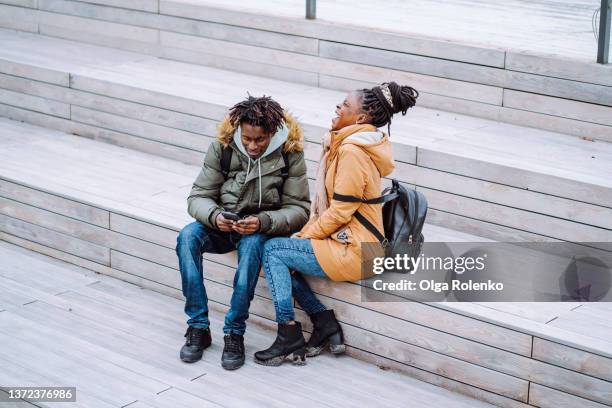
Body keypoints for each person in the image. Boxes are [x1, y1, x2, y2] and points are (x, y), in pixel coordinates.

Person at [254, 82, 419, 366]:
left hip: (356, 250)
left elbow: (341, 211)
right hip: (350, 241)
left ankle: (289, 334)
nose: (337, 107)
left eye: (344, 104)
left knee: (273, 251)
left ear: (360, 119)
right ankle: (323, 322)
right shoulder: (351, 144)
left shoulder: (352, 152)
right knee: (280, 251)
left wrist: (304, 235)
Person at [176, 95, 310, 370]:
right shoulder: (222, 147)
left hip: (259, 228)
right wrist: (215, 216)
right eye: (247, 138)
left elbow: (298, 209)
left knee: (251, 251)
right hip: (222, 224)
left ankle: (234, 332)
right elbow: (198, 196)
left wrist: (263, 222)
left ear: (272, 133)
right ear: (238, 131)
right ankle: (198, 327)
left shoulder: (290, 152)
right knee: (187, 237)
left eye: (259, 140)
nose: (252, 145)